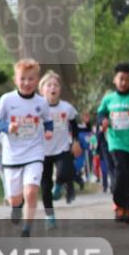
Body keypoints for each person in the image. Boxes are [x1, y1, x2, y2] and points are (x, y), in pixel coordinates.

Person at [0, 59, 53, 238]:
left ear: (37, 80)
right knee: (15, 198)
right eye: (23, 78)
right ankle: (16, 206)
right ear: (15, 79)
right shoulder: (7, 100)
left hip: (34, 152)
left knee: (31, 191)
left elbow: (48, 119)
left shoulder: (42, 102)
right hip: (12, 155)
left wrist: (48, 131)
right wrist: (6, 127)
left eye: (31, 79)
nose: (26, 83)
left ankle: (26, 229)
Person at [97, 63, 129, 224]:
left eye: (128, 80)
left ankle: (128, 207)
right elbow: (100, 114)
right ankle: (120, 204)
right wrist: (103, 120)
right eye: (121, 79)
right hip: (115, 143)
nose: (124, 82)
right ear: (115, 80)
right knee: (120, 173)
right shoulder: (109, 98)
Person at [39, 71, 82, 228]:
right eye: (48, 85)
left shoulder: (66, 107)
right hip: (42, 151)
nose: (52, 88)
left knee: (65, 172)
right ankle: (49, 215)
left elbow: (74, 125)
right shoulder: (37, 107)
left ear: (60, 89)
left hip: (62, 148)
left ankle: (59, 185)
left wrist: (76, 141)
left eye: (55, 85)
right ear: (42, 89)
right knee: (45, 186)